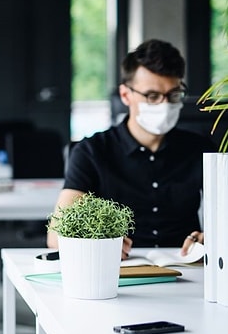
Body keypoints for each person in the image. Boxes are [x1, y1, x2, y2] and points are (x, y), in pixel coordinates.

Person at [47, 39, 217, 258]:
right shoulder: (92, 151)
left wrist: (213, 237)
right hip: (119, 271)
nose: (164, 105)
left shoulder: (200, 149)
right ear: (126, 95)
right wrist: (98, 244)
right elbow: (56, 236)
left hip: (189, 269)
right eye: (153, 96)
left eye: (173, 95)